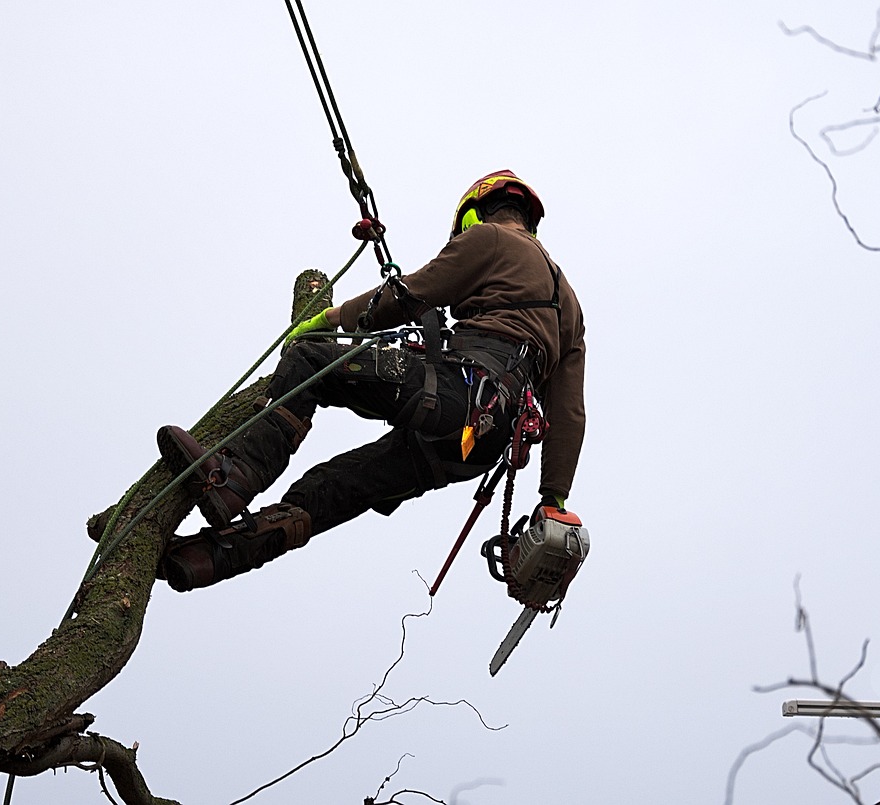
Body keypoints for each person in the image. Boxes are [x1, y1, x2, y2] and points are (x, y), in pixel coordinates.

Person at [154, 170, 586, 593]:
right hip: (479, 446)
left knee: (309, 361)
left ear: (475, 214)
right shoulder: (571, 305)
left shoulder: (489, 239)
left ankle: (235, 478)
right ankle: (207, 558)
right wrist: (554, 499)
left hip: (459, 393)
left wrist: (330, 319)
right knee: (333, 486)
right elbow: (567, 413)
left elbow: (412, 293)